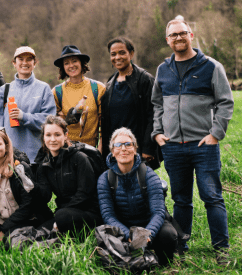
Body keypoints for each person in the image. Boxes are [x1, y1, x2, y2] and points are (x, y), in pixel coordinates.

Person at [152, 18, 234, 265]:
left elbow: (225, 102)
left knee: (212, 197)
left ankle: (222, 250)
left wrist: (216, 134)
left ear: (191, 34)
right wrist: (157, 133)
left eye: (182, 33)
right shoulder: (162, 70)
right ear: (167, 40)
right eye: (173, 35)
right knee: (181, 200)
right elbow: (157, 103)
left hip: (203, 145)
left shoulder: (210, 66)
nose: (178, 38)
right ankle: (181, 246)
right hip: (173, 147)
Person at [97, 128, 177, 265]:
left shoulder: (149, 175)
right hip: (123, 228)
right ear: (112, 152)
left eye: (128, 144)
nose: (123, 149)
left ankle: (158, 259)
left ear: (135, 149)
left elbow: (158, 212)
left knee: (168, 235)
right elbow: (108, 215)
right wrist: (129, 235)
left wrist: (147, 234)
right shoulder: (105, 179)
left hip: (148, 224)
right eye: (118, 145)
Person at [35, 115, 102, 237]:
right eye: (48, 135)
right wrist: (31, 186)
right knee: (38, 222)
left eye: (57, 134)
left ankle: (66, 229)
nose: (53, 139)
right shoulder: (44, 163)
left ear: (65, 135)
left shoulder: (79, 158)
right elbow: (44, 196)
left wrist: (60, 215)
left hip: (87, 211)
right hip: (64, 213)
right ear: (43, 137)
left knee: (62, 217)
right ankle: (60, 228)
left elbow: (84, 194)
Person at [100, 37, 160, 169]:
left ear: (131, 54)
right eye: (113, 54)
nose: (117, 57)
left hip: (138, 150)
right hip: (116, 151)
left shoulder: (145, 80)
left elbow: (154, 115)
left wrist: (148, 148)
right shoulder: (110, 83)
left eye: (122, 52)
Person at [0, 46, 56, 165]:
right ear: (14, 63)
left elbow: (50, 122)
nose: (25, 63)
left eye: (29, 59)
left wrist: (24, 117)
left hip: (37, 159)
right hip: (9, 158)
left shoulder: (44, 89)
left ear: (35, 63)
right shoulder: (3, 91)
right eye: (20, 59)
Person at [52, 45, 106, 150]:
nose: (71, 65)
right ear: (63, 68)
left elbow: (104, 125)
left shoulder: (98, 89)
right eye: (66, 63)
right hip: (66, 150)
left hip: (92, 150)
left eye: (74, 61)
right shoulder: (57, 92)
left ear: (82, 63)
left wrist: (100, 149)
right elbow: (54, 126)